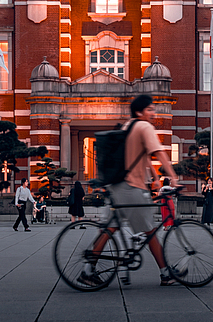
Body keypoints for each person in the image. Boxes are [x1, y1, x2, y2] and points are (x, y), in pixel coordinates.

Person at [78, 94, 182, 286]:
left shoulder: (128, 126)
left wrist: (156, 178)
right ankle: (166, 273)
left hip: (117, 184)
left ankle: (88, 269)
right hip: (130, 186)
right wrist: (173, 178)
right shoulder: (144, 126)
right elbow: (158, 152)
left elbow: (144, 155)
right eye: (150, 109)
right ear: (139, 112)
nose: (153, 112)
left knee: (111, 227)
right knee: (150, 230)